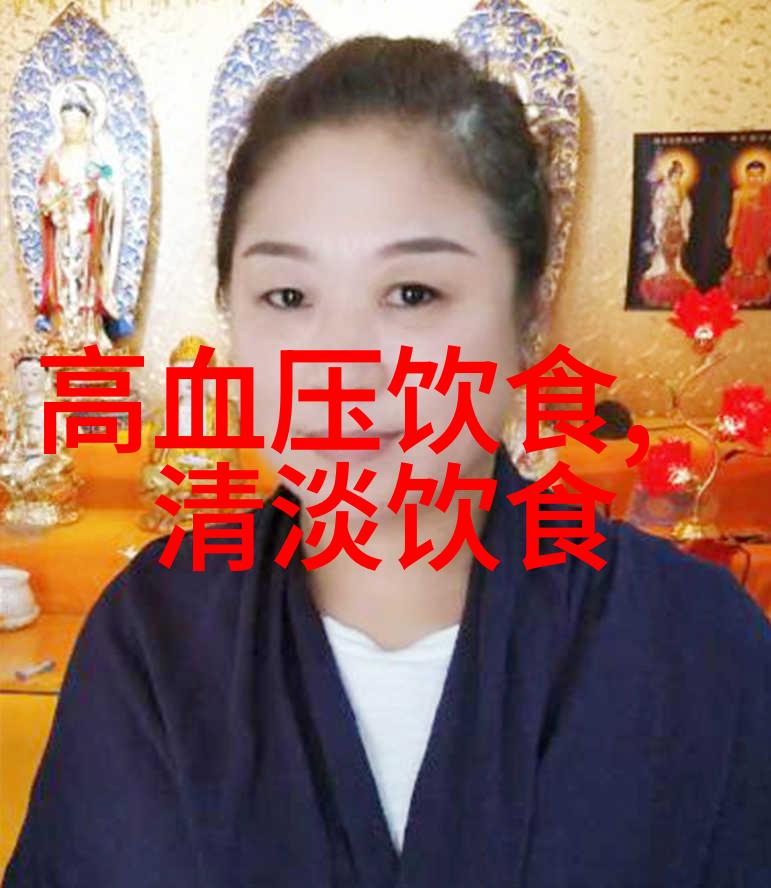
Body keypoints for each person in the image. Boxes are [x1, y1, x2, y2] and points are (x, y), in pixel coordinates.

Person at [4, 36, 771, 888]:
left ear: (526, 318)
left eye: (412, 294)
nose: (341, 366)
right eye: (287, 296)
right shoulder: (154, 636)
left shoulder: (693, 646)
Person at [722, 158, 771, 306]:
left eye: (758, 175)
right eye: (751, 175)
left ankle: (758, 295)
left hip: (761, 236)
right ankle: (739, 296)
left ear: (763, 176)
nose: (755, 179)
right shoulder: (739, 194)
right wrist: (730, 234)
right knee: (739, 267)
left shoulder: (768, 194)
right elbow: (734, 216)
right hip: (742, 235)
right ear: (746, 176)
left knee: (758, 267)